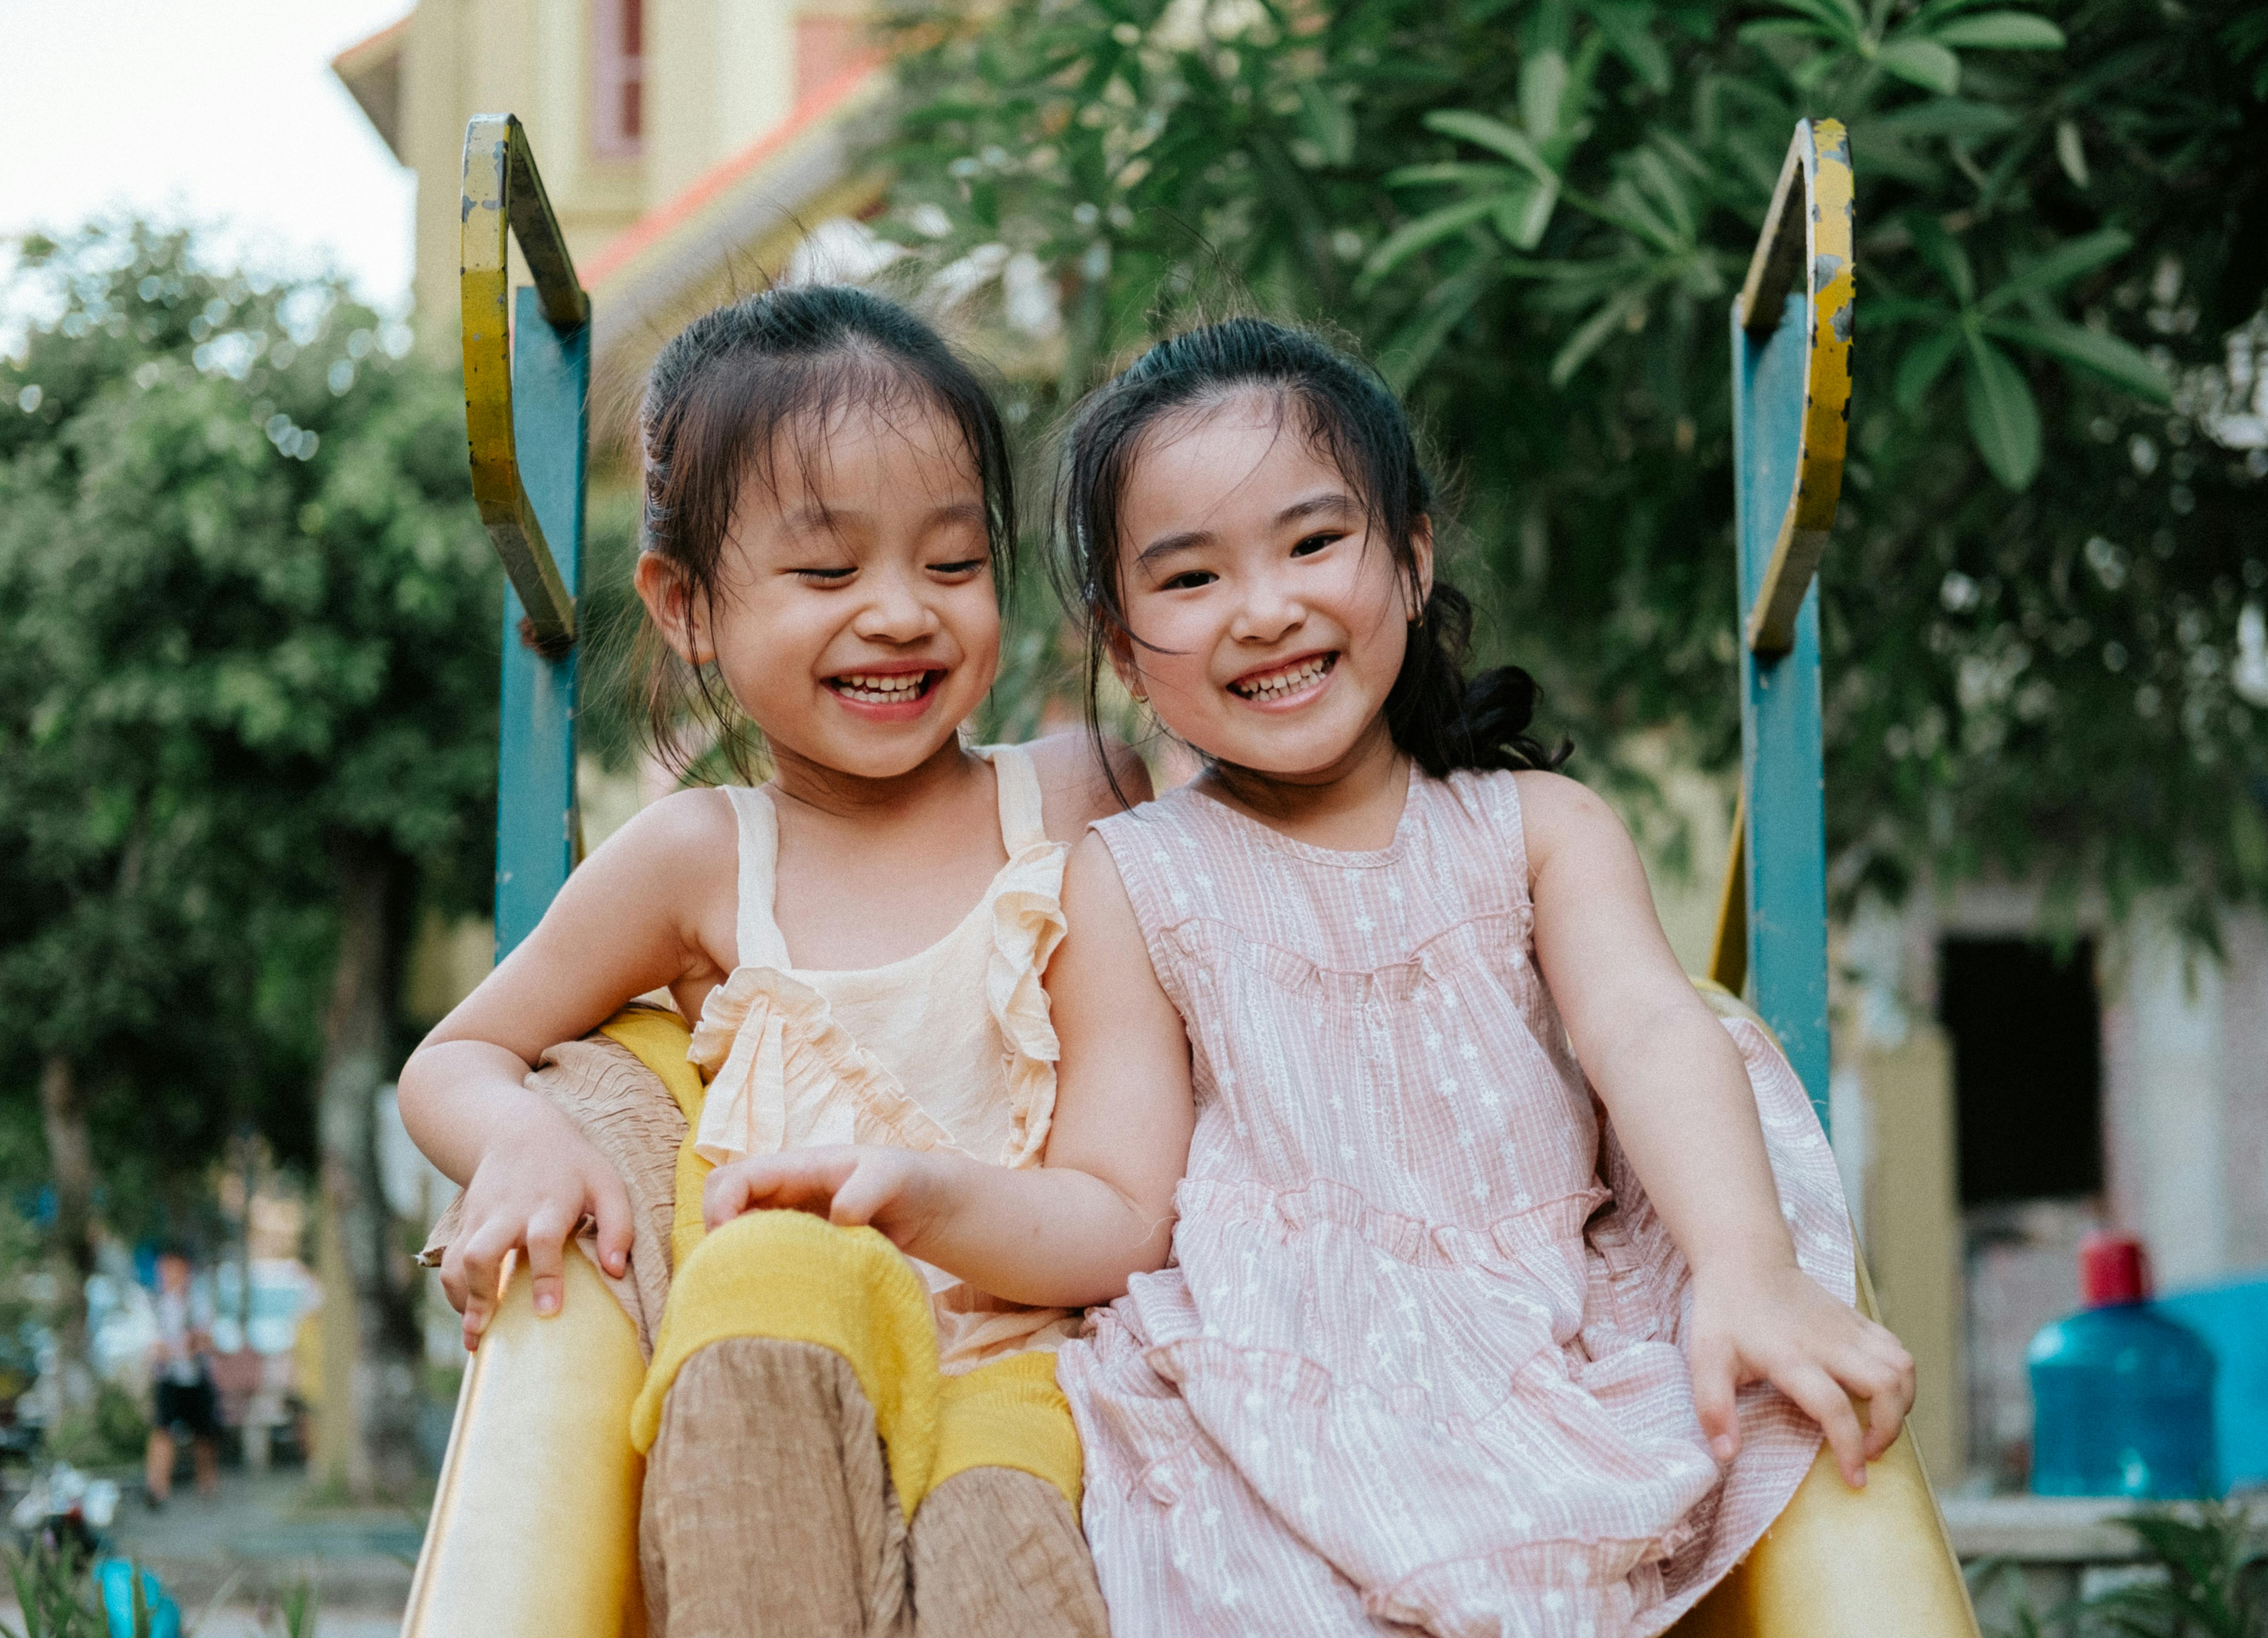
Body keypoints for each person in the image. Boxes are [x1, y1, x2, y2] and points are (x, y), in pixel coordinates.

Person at [708, 318, 1917, 1636]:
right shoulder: (1134, 876)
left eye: (1311, 542)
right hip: (1261, 1404)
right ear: (1121, 648)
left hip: (1536, 1357)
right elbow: (1117, 1207)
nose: (1263, 607)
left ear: (1408, 556)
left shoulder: (1535, 833)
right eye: (1188, 579)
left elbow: (1644, 1027)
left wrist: (1742, 1267)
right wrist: (930, 1197)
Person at [397, 284, 1145, 1637]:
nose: (900, 613)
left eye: (952, 562)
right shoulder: (695, 858)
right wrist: (515, 1135)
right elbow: (454, 1053)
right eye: (825, 573)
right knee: (760, 1283)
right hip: (788, 1366)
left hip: (1032, 1367)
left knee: (1006, 1555)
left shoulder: (1081, 795)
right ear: (684, 606)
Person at [144, 1249, 218, 1508]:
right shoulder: (157, 1305)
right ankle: (157, 1487)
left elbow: (207, 1339)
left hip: (197, 1377)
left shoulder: (199, 1302)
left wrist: (191, 1344)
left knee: (204, 1434)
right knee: (163, 1431)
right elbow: (154, 1347)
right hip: (170, 1378)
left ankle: (207, 1486)